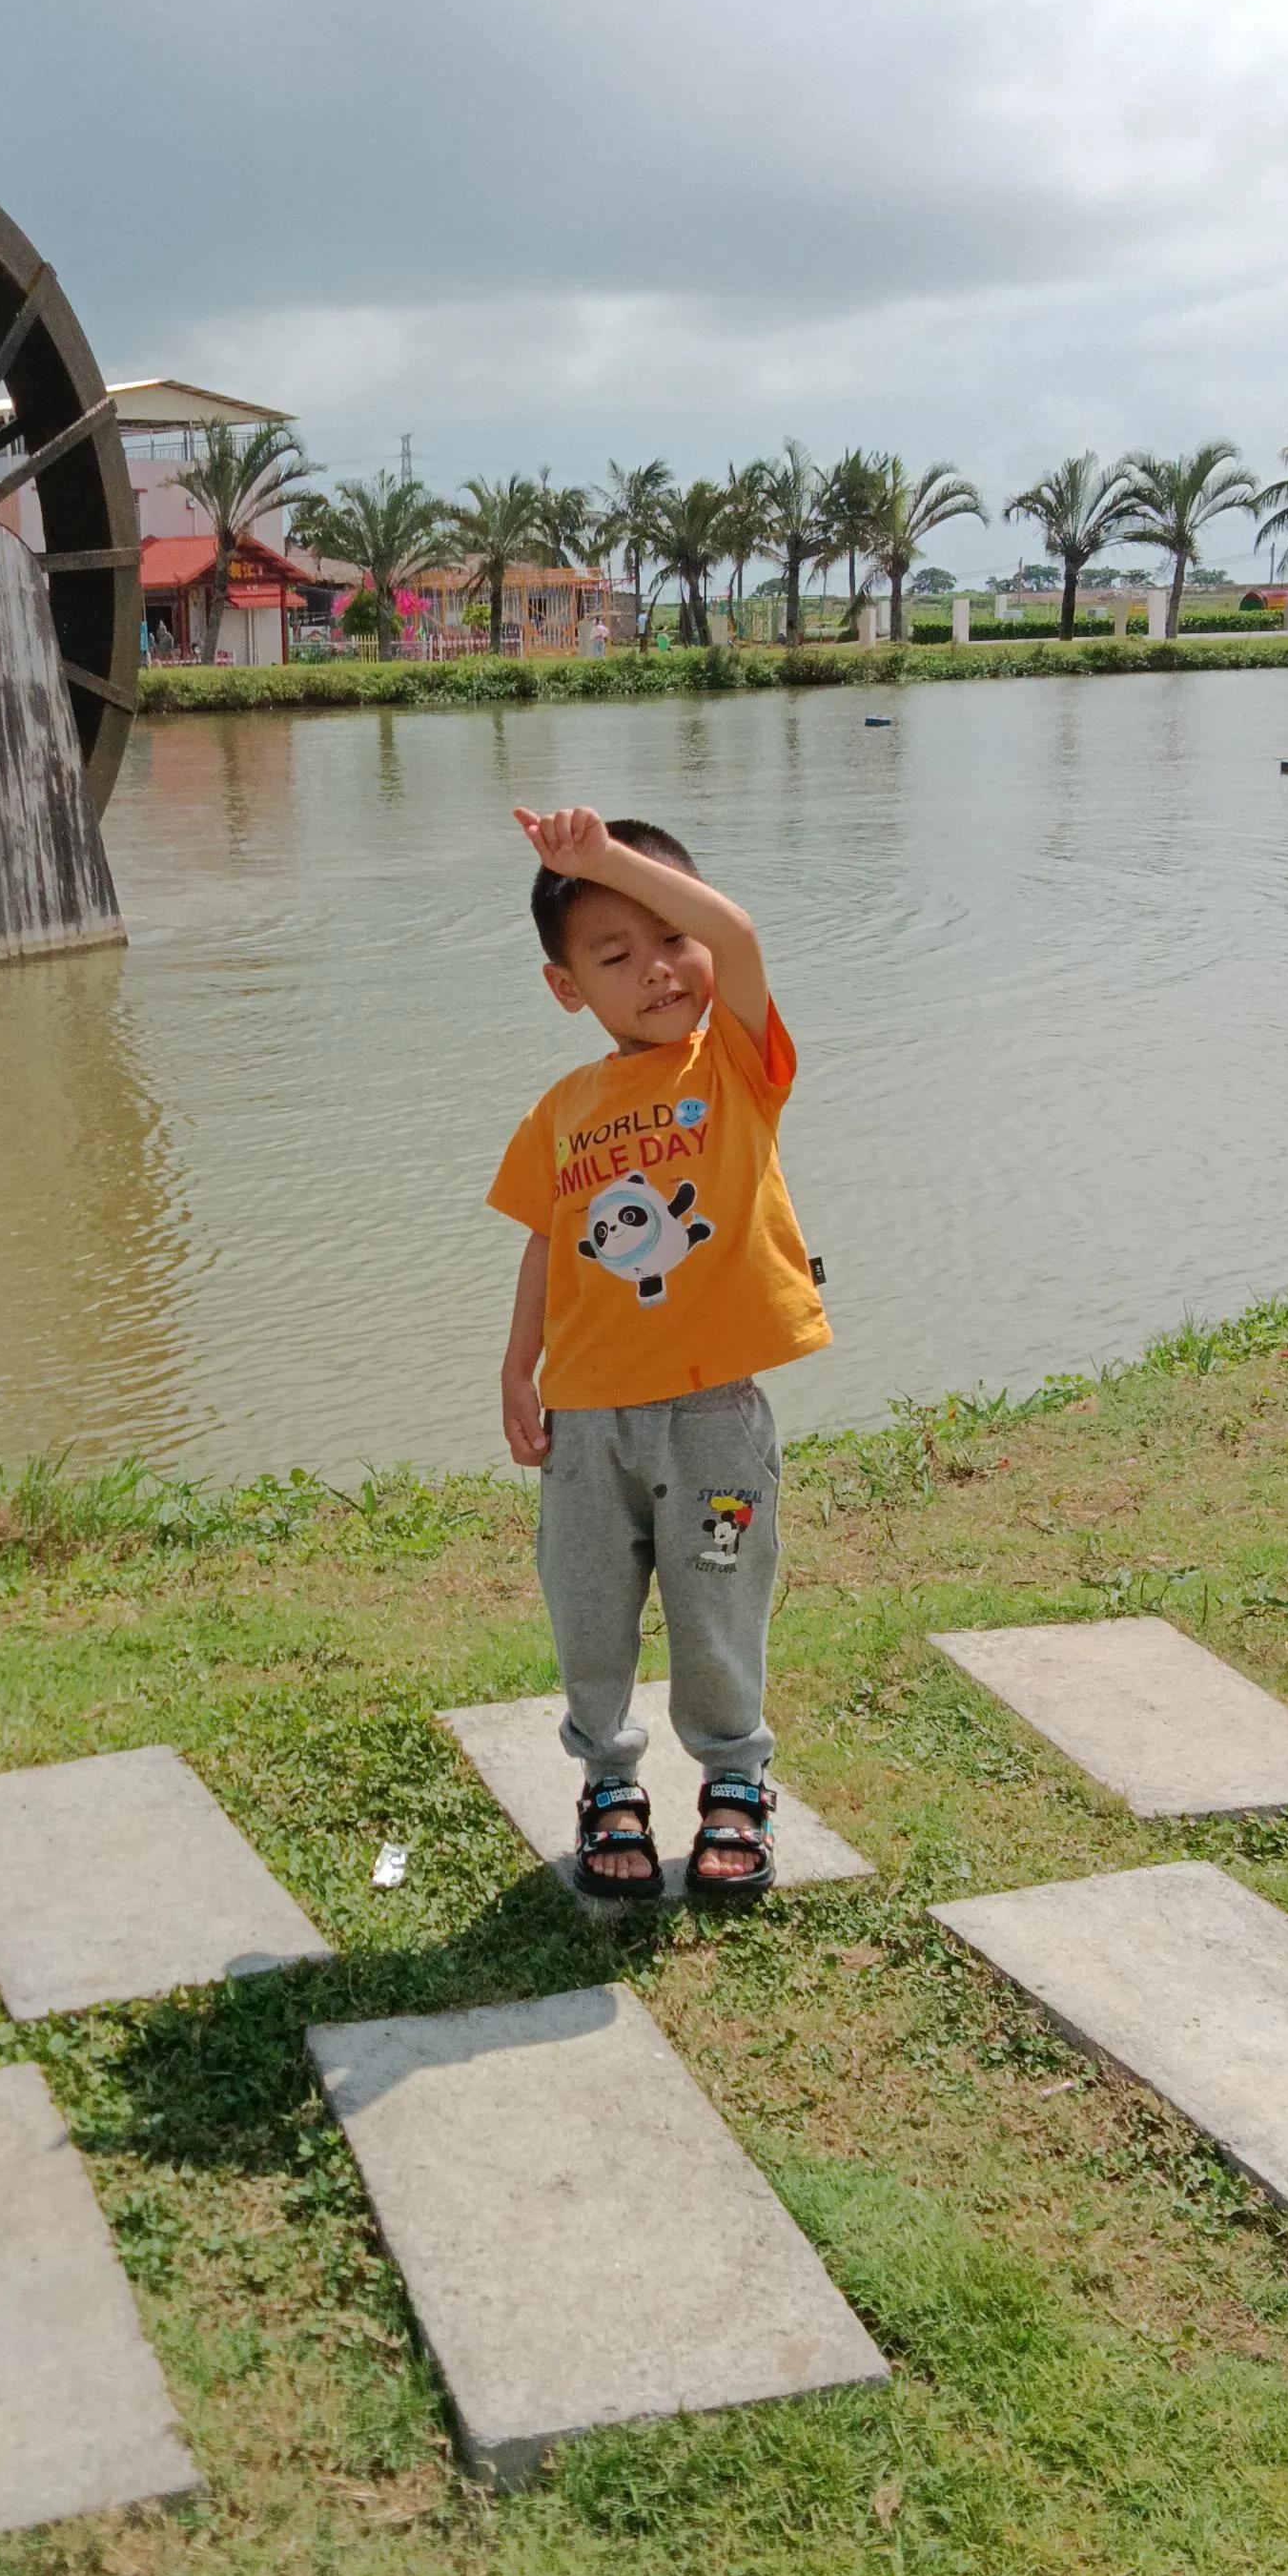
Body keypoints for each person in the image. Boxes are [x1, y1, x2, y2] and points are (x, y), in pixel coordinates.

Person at [490, 805, 829, 1902]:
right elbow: (549, 1240)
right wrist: (517, 1369)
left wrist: (608, 865)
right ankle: (608, 1782)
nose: (658, 970)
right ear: (566, 987)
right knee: (588, 1604)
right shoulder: (563, 1108)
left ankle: (735, 1779)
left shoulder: (734, 1059)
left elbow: (734, 937)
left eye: (667, 938)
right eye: (614, 954)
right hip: (588, 1421)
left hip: (714, 1419)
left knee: (716, 1596)